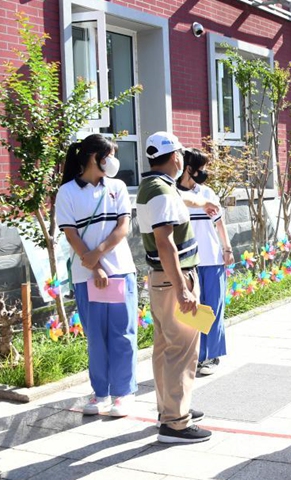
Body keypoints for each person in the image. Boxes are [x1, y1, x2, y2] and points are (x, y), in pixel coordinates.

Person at [137, 131, 218, 444]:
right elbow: (165, 241)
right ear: (176, 158)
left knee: (165, 348)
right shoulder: (161, 191)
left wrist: (202, 201)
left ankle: (169, 408)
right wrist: (183, 288)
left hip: (163, 280)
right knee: (182, 351)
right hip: (175, 278)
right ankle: (175, 423)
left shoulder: (153, 186)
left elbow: (177, 198)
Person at [55, 134, 138, 417]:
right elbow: (71, 234)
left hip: (120, 272)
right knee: (96, 337)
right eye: (110, 154)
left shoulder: (117, 186)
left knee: (122, 334)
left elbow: (123, 227)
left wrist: (98, 255)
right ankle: (100, 393)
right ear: (95, 157)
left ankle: (123, 394)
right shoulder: (66, 192)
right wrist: (95, 266)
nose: (114, 160)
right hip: (86, 276)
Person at [177, 149, 235, 376]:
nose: (203, 172)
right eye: (198, 167)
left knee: (214, 307)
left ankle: (212, 355)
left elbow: (219, 224)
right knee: (192, 310)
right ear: (186, 167)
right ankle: (196, 355)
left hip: (211, 259)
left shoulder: (207, 192)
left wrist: (227, 248)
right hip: (186, 262)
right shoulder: (172, 193)